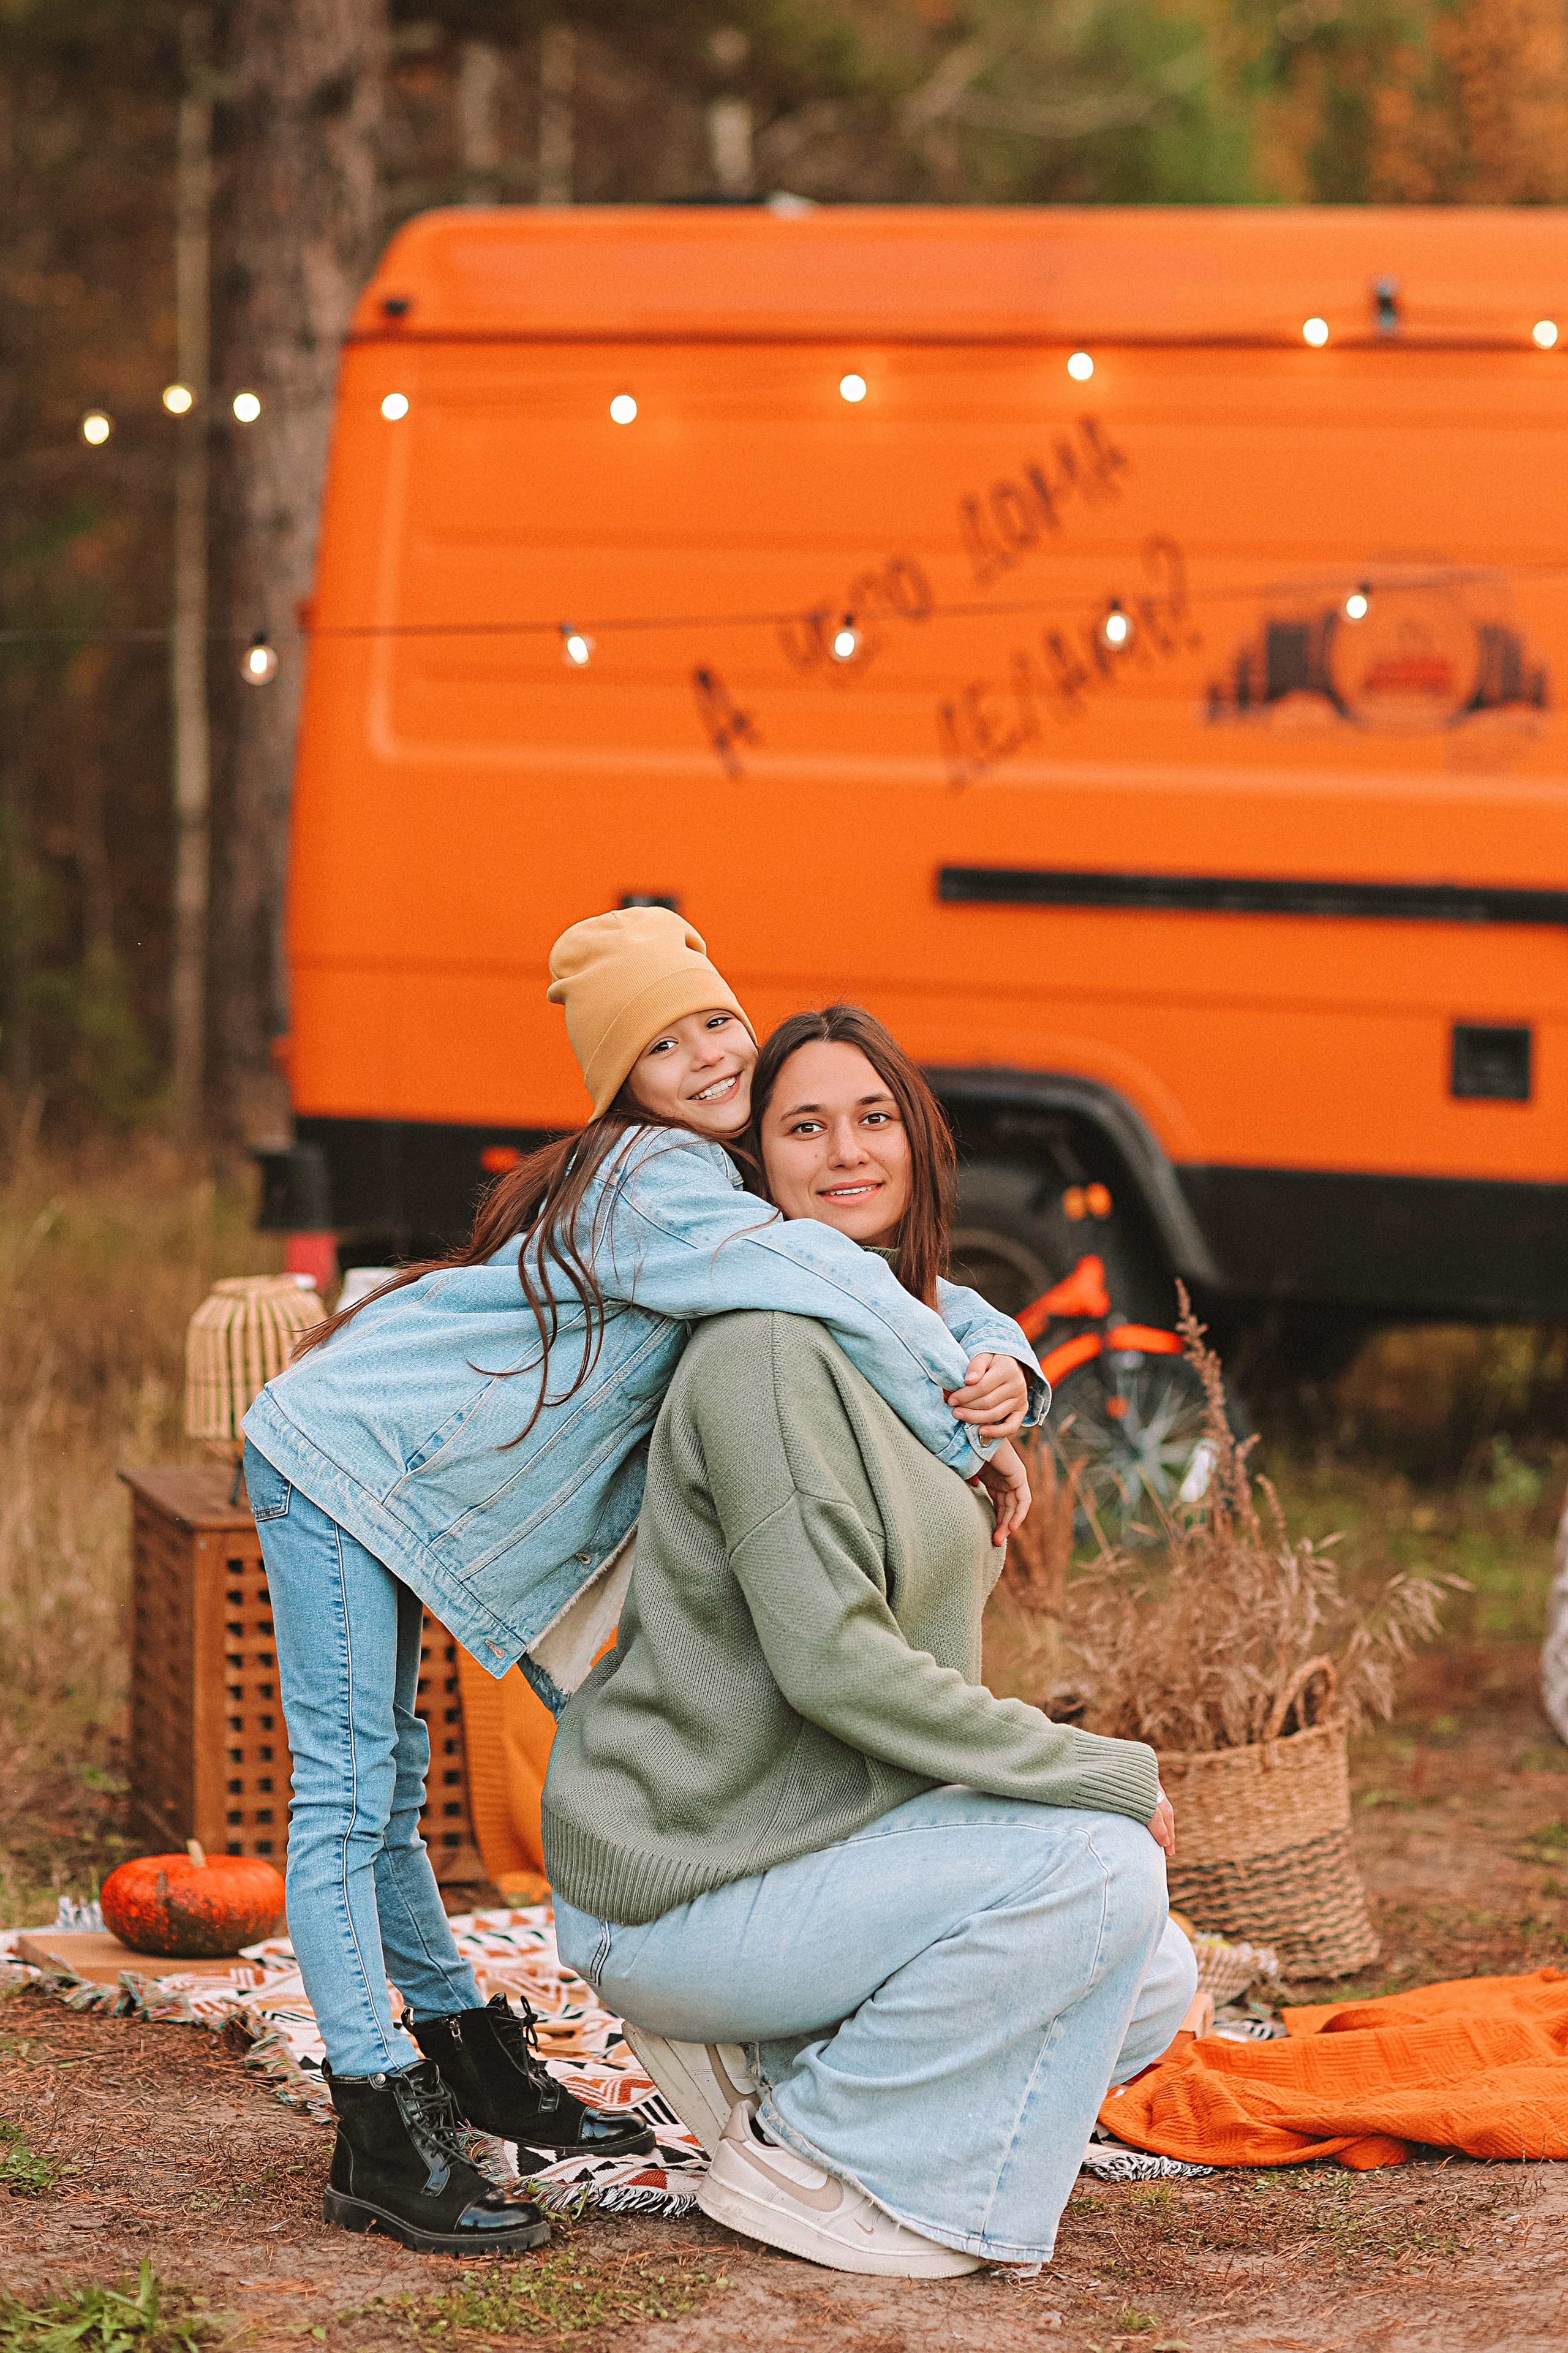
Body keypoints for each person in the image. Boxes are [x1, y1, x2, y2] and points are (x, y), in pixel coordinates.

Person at [240, 912, 1044, 2253]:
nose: (705, 1053)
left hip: (390, 1475)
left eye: (715, 1021)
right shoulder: (648, 1183)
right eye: (661, 1043)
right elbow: (810, 1266)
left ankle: (466, 2049)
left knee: (395, 1768)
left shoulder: (712, 1184)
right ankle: (376, 2119)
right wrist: (963, 1424)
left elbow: (870, 1275)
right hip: (338, 1452)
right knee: (345, 1785)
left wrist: (1002, 1365)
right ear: (622, 1078)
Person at [543, 1004, 1196, 2279]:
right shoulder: (767, 1351)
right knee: (1101, 1873)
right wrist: (1100, 1769)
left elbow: (952, 1313)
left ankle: (793, 2069)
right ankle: (809, 2157)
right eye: (802, 1126)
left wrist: (997, 1411)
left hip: (818, 1838)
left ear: (917, 1140)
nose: (845, 1151)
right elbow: (835, 1662)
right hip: (691, 1875)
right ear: (758, 1164)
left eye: (872, 1117)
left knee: (1149, 1973)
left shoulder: (900, 1342)